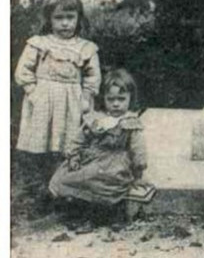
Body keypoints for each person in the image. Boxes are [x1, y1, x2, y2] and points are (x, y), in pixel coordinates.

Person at [15, 0, 101, 181]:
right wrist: (33, 92)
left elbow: (92, 76)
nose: (65, 23)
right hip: (43, 98)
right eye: (59, 18)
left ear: (78, 18)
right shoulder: (39, 44)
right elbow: (23, 71)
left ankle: (64, 181)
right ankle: (40, 182)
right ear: (49, 19)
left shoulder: (85, 48)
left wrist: (87, 96)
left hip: (72, 99)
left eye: (70, 18)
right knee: (42, 138)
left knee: (69, 140)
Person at [49, 68, 155, 209]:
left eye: (121, 99)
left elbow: (138, 149)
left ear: (130, 98)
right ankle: (77, 206)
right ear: (103, 98)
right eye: (111, 99)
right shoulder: (96, 119)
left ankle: (98, 210)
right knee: (67, 176)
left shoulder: (130, 122)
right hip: (93, 158)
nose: (116, 104)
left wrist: (139, 171)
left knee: (97, 178)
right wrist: (73, 155)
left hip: (115, 164)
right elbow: (79, 138)